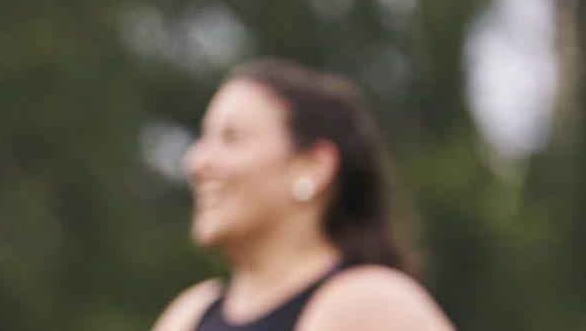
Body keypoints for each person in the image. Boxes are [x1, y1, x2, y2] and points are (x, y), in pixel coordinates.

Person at [149, 60, 455, 331]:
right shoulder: (191, 312)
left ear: (313, 167)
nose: (197, 163)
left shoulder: (368, 302)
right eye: (205, 138)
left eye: (231, 138)